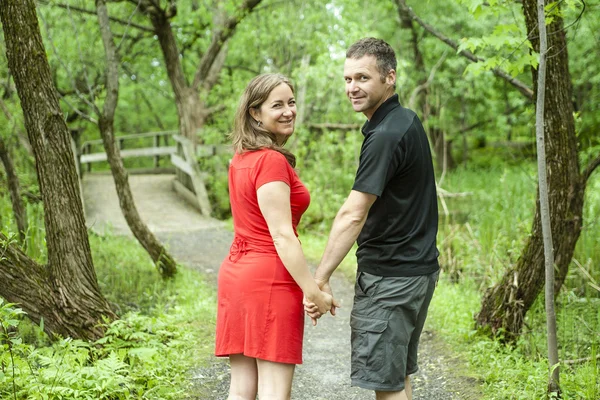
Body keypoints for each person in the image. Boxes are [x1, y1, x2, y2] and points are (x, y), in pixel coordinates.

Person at [307, 38, 440, 400]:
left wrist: (320, 279)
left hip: (392, 279)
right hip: (417, 273)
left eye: (362, 78)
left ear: (389, 77)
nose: (352, 88)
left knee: (386, 386)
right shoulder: (405, 120)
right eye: (348, 79)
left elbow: (353, 214)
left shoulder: (385, 134)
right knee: (395, 380)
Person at [215, 73, 336, 400]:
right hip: (268, 280)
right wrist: (314, 292)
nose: (288, 111)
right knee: (273, 393)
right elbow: (282, 236)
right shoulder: (270, 161)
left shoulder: (239, 159)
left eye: (292, 102)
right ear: (255, 113)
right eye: (277, 105)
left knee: (241, 391)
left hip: (237, 276)